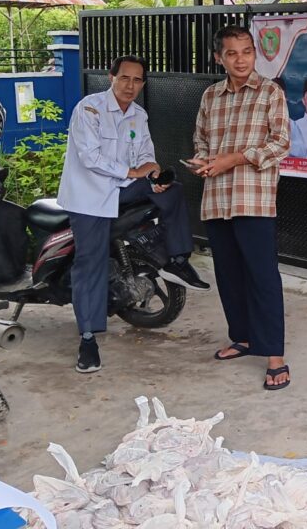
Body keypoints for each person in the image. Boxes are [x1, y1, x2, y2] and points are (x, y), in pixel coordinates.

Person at [57, 55, 209, 374]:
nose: (130, 85)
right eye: (124, 78)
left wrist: (152, 173)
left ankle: (178, 260)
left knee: (172, 190)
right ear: (111, 77)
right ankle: (88, 340)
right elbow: (90, 157)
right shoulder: (89, 109)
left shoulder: (138, 115)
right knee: (91, 264)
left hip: (123, 188)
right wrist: (133, 171)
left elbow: (145, 154)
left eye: (137, 80)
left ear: (143, 84)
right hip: (89, 197)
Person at [187, 26, 292, 390]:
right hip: (217, 198)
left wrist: (234, 159)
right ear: (219, 58)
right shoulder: (210, 96)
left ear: (254, 54)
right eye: (231, 53)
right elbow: (201, 139)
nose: (241, 59)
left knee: (263, 277)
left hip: (253, 200)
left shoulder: (270, 92)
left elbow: (281, 144)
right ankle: (243, 338)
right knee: (229, 275)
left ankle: (274, 355)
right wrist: (203, 161)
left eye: (246, 51)